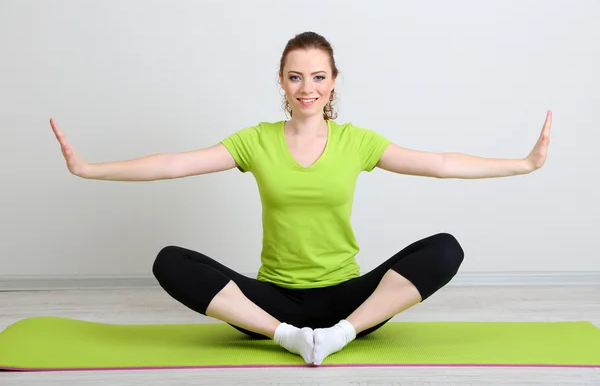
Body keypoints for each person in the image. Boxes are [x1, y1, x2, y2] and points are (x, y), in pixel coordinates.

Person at [50, 31, 552, 366]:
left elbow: (439, 163)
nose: (306, 88)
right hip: (271, 302)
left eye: (317, 76)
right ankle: (287, 337)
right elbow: (173, 163)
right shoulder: (257, 140)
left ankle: (340, 335)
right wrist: (89, 169)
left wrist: (523, 163)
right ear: (282, 82)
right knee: (169, 261)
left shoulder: (357, 141)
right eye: (295, 76)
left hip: (346, 299)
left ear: (333, 82)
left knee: (446, 248)